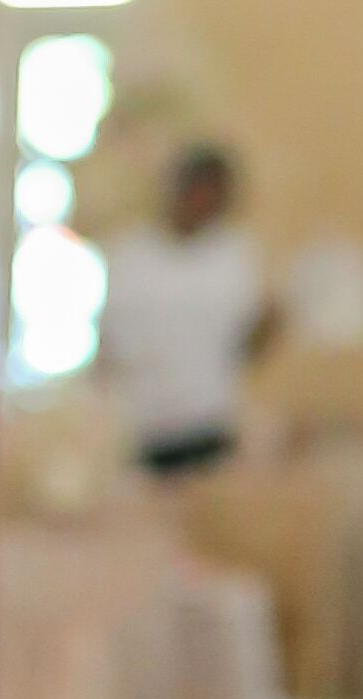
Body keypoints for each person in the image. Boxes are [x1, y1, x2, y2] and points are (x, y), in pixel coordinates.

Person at [97, 143, 274, 475]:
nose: (204, 201)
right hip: (143, 426)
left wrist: (275, 319)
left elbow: (247, 347)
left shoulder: (234, 257)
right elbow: (108, 344)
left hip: (210, 423)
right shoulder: (132, 256)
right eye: (198, 189)